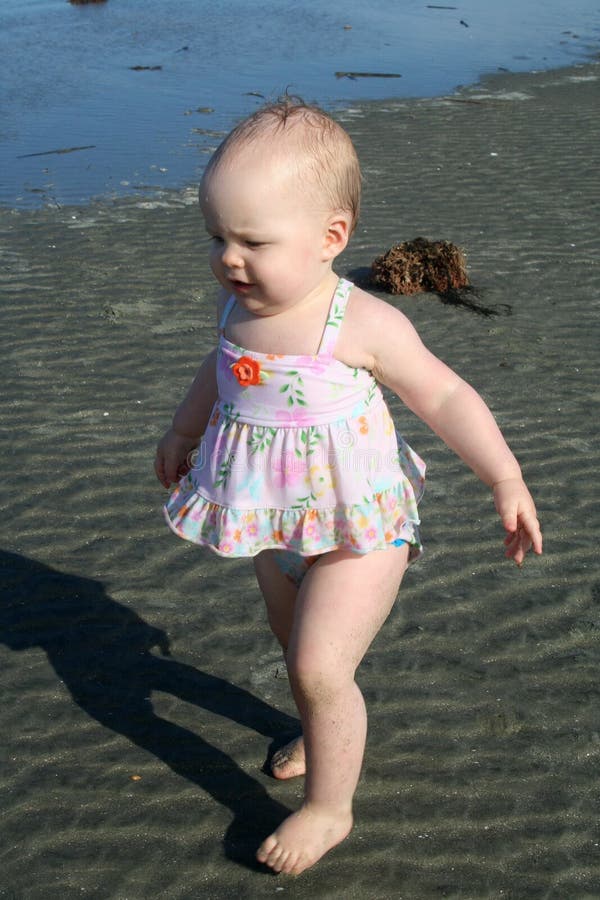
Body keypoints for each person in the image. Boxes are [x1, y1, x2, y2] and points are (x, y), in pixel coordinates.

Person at [154, 97, 542, 876]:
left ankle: (330, 809)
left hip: (361, 528)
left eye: (253, 241)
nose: (229, 258)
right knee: (295, 644)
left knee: (319, 666)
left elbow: (444, 395)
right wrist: (184, 430)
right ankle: (321, 725)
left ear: (331, 237)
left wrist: (505, 476)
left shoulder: (357, 322)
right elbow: (221, 369)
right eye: (217, 238)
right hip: (274, 519)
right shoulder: (240, 305)